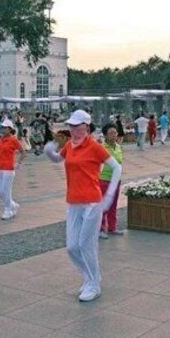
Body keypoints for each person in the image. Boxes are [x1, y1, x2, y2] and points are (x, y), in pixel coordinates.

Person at [45, 110, 122, 302]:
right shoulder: (70, 145)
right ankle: (90, 277)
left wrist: (110, 195)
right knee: (72, 247)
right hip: (73, 201)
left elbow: (116, 167)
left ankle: (94, 285)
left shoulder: (95, 146)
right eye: (70, 126)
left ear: (85, 127)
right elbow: (58, 158)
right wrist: (49, 151)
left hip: (92, 202)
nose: (72, 129)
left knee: (86, 245)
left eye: (76, 126)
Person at [0, 118, 25, 219]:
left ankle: (8, 210)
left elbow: (23, 152)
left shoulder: (13, 140)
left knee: (6, 191)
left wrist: (19, 163)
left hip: (8, 169)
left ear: (10, 129)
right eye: (2, 127)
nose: (3, 129)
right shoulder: (0, 139)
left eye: (5, 128)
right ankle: (13, 205)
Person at [99, 123, 124, 238]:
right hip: (104, 180)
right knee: (103, 205)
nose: (114, 135)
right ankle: (100, 229)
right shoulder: (101, 148)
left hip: (116, 180)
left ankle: (112, 227)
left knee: (113, 204)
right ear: (105, 135)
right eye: (111, 133)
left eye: (115, 132)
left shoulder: (118, 147)